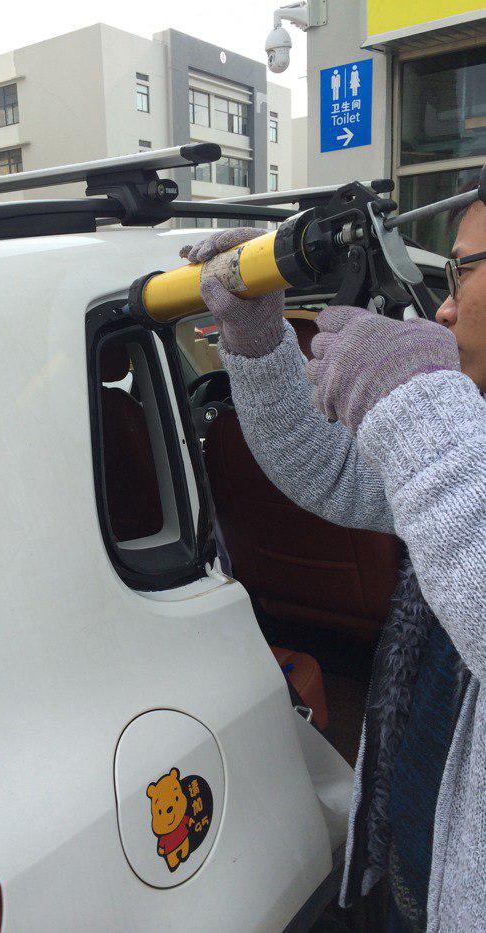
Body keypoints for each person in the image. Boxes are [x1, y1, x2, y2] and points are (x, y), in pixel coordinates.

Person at [181, 181, 485, 933]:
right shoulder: (471, 435)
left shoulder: (457, 435)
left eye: (462, 271)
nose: (443, 310)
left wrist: (419, 403)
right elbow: (329, 470)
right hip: (421, 850)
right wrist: (259, 343)